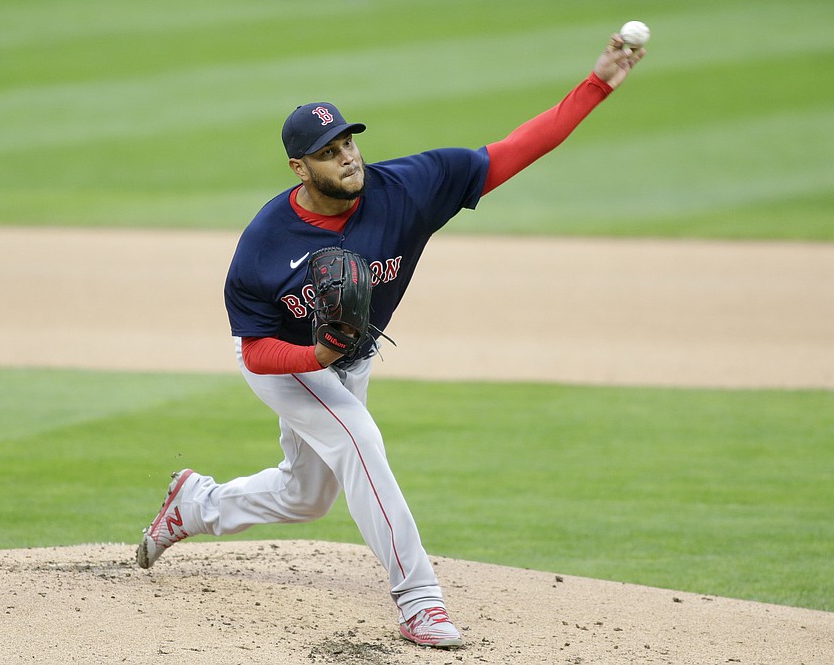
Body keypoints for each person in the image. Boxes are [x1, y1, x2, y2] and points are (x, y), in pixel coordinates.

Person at [136, 34, 646, 649]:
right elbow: (253, 352)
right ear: (300, 168)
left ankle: (195, 505)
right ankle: (419, 601)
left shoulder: (406, 189)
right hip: (289, 361)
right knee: (360, 440)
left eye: (348, 142)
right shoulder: (264, 248)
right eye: (328, 152)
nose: (347, 158)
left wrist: (597, 83)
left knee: (306, 495)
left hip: (351, 358)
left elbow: (513, 151)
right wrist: (315, 357)